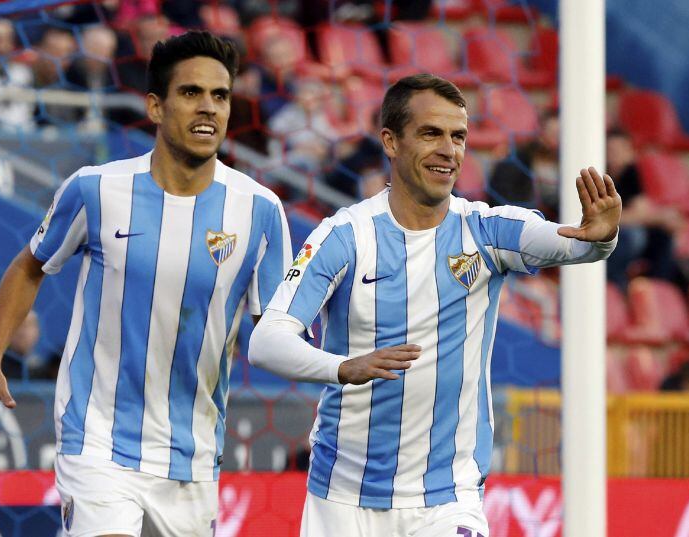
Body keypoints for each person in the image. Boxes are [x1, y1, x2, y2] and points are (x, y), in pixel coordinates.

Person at [249, 74, 621, 537]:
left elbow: (572, 243)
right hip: (343, 500)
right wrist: (344, 368)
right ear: (391, 141)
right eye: (431, 133)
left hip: (447, 500)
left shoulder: (486, 230)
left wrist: (600, 235)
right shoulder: (344, 235)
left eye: (458, 136)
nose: (449, 149)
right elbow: (266, 341)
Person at [0, 30, 291, 536]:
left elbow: (273, 329)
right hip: (97, 440)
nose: (208, 108)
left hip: (193, 454)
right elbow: (30, 265)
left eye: (220, 95)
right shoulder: (96, 188)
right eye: (191, 93)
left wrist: (340, 363)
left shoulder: (261, 211)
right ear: (156, 107)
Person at [604, 128, 680, 289]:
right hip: (601, 237)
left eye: (621, 150)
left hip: (617, 232)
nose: (615, 155)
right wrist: (659, 217)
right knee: (634, 235)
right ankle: (615, 286)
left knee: (662, 236)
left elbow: (641, 209)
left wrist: (661, 218)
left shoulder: (631, 173)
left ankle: (658, 288)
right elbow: (603, 219)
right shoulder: (597, 176)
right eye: (611, 150)